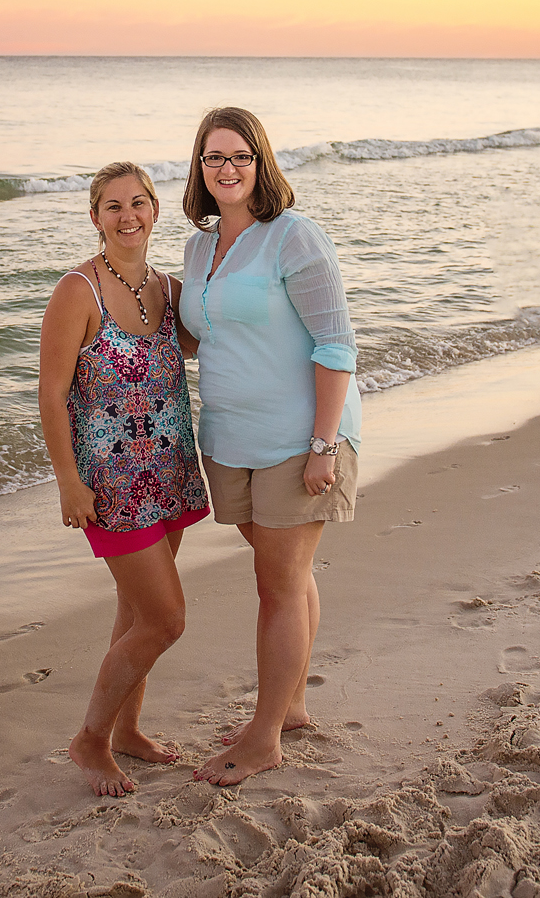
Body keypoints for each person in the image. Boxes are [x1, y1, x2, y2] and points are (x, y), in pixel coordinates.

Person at [179, 106, 362, 787]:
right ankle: (294, 706)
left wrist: (324, 443)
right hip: (229, 436)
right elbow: (204, 331)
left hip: (297, 435)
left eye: (239, 156)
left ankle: (264, 736)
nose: (226, 169)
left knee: (276, 586)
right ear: (198, 169)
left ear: (262, 163)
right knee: (287, 575)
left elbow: (336, 345)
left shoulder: (295, 238)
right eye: (212, 158)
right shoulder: (199, 247)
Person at [37, 161, 212, 796]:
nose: (128, 215)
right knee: (165, 619)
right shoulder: (76, 292)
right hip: (110, 485)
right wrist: (67, 481)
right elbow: (51, 394)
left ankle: (128, 731)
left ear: (156, 211)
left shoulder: (169, 289)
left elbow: (221, 336)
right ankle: (89, 740)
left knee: (136, 609)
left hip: (167, 472)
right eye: (113, 206)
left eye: (139, 202)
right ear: (95, 217)